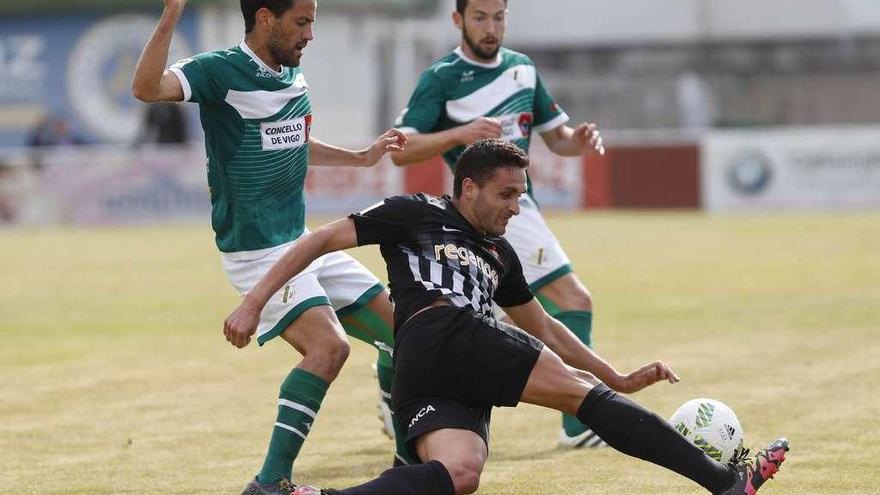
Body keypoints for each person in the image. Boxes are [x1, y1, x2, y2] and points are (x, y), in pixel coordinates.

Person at [224, 139, 789, 495]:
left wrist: (614, 375)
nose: (516, 207)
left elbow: (541, 325)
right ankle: (726, 483)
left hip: (439, 365)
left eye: (521, 195)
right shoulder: (415, 212)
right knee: (576, 394)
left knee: (461, 473)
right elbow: (322, 239)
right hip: (440, 330)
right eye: (507, 194)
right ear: (468, 188)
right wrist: (253, 302)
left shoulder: (500, 253)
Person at [131, 1, 413, 493]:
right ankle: (269, 483)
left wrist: (362, 158)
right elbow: (145, 88)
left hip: (300, 243)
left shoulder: (289, 75)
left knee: (406, 332)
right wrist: (173, 12)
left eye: (312, 23)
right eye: (301, 23)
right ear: (265, 19)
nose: (310, 34)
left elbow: (293, 141)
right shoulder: (219, 71)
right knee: (328, 349)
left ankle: (408, 463)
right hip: (255, 252)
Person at [389, 0, 607, 448]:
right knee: (572, 299)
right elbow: (401, 148)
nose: (491, 28)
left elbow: (556, 137)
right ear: (458, 20)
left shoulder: (523, 69)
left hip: (522, 209)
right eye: (480, 18)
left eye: (499, 17)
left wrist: (578, 141)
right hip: (485, 212)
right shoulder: (442, 77)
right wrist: (458, 134)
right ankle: (577, 426)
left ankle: (390, 374)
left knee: (476, 315)